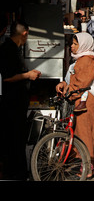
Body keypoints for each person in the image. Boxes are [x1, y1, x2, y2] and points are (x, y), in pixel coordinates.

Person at [56, 32, 94, 178]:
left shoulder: (86, 60)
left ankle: (87, 167)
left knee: (84, 134)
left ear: (83, 45)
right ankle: (84, 164)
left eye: (75, 44)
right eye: (72, 43)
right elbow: (74, 80)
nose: (71, 46)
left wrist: (67, 90)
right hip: (80, 99)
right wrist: (64, 84)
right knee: (81, 132)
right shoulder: (80, 60)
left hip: (85, 101)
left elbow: (81, 83)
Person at [0, 20, 41, 180]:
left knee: (17, 139)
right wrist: (28, 75)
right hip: (11, 103)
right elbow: (6, 77)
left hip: (16, 102)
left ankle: (17, 171)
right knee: (13, 138)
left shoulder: (14, 49)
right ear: (25, 34)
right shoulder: (7, 50)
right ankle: (15, 173)